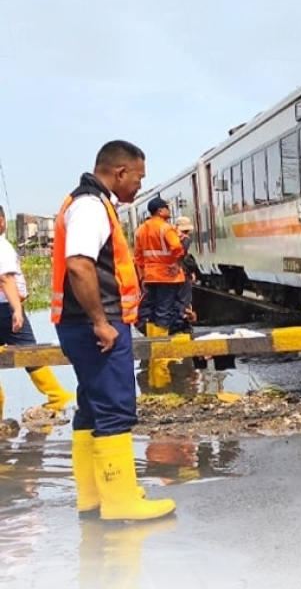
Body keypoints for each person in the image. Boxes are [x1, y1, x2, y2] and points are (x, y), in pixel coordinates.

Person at [52, 139, 175, 521]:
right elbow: (79, 265)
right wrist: (101, 323)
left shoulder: (89, 202)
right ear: (120, 172)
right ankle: (121, 502)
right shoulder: (90, 206)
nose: (140, 185)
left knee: (92, 407)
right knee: (115, 408)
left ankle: (93, 496)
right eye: (139, 177)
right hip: (95, 325)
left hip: (80, 324)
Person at [0, 206, 74, 416]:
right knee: (29, 350)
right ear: (2, 221)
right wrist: (16, 308)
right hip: (5, 308)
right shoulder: (2, 246)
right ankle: (57, 395)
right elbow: (5, 278)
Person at [132, 197, 185, 338]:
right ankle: (161, 348)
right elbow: (177, 247)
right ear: (160, 211)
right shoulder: (166, 228)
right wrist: (177, 264)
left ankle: (152, 344)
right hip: (167, 276)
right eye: (167, 208)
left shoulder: (141, 230)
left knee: (152, 313)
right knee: (164, 312)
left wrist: (142, 276)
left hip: (150, 276)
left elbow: (138, 257)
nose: (169, 210)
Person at [171, 216, 198, 334]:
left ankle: (179, 323)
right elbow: (181, 256)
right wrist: (190, 271)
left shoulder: (170, 238)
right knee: (184, 301)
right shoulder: (185, 240)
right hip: (182, 275)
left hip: (171, 275)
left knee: (173, 300)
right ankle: (183, 325)